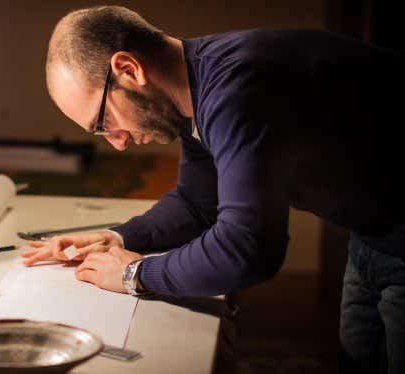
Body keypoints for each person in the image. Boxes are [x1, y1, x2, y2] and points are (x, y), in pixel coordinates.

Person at [22, 5, 405, 373]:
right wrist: (117, 237)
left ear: (128, 69)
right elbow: (199, 203)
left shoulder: (238, 89)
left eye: (104, 120)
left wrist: (134, 275)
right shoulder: (197, 89)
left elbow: (249, 249)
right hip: (373, 236)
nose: (117, 142)